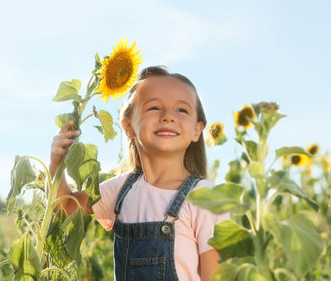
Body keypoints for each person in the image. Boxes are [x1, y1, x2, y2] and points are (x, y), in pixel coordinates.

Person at [49, 66, 228, 281]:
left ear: (197, 130)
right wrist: (56, 165)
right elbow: (65, 207)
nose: (168, 116)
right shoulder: (120, 190)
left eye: (181, 110)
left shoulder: (206, 199)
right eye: (154, 107)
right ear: (128, 126)